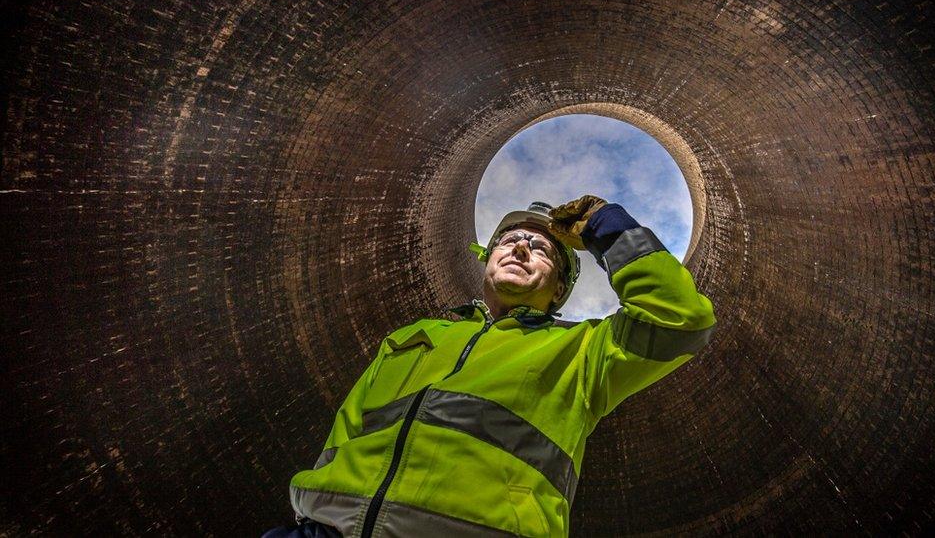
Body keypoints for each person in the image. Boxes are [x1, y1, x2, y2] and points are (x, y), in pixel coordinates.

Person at [267, 195, 716, 537]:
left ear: (559, 289)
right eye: (509, 240)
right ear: (487, 259)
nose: (520, 248)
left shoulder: (582, 350)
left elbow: (680, 318)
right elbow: (343, 435)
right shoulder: (416, 335)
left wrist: (608, 227)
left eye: (540, 249)